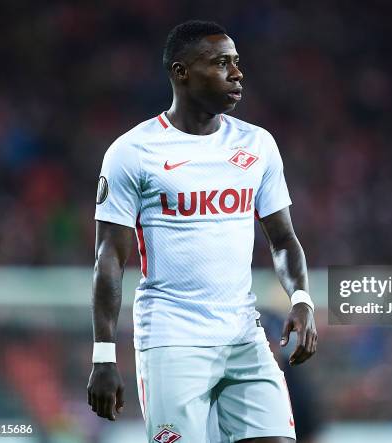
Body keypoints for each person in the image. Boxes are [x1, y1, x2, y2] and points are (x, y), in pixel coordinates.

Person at [86, 20, 317, 443]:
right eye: (222, 63)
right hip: (173, 340)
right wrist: (104, 355)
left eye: (237, 62)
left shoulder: (257, 144)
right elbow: (109, 260)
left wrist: (301, 298)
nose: (237, 73)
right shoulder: (132, 152)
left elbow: (283, 239)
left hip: (243, 334)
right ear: (182, 72)